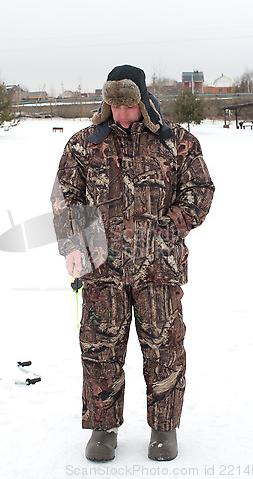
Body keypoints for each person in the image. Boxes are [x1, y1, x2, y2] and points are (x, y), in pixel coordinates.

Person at [51, 65, 214, 461]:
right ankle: (103, 429)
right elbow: (64, 198)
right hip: (101, 271)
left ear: (144, 101)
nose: (122, 115)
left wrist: (168, 230)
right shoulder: (83, 144)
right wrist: (73, 244)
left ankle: (164, 429)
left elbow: (200, 190)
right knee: (100, 348)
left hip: (158, 269)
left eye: (130, 106)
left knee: (164, 348)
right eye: (115, 106)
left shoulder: (177, 142)